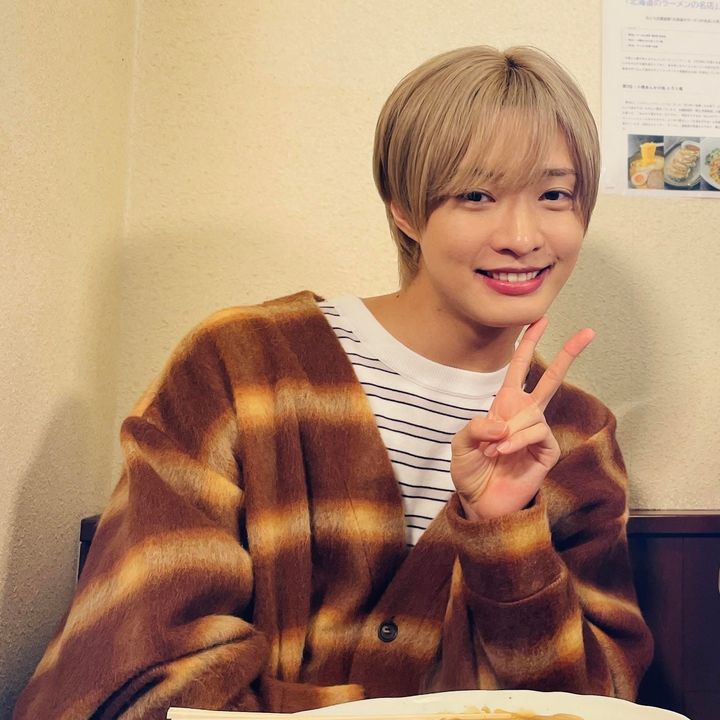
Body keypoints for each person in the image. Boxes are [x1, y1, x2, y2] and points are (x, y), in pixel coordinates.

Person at [14, 45, 653, 720]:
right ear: (403, 209)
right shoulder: (242, 367)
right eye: (476, 195)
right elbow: (139, 673)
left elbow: (595, 701)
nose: (523, 236)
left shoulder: (577, 435)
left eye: (554, 195)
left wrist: (505, 534)